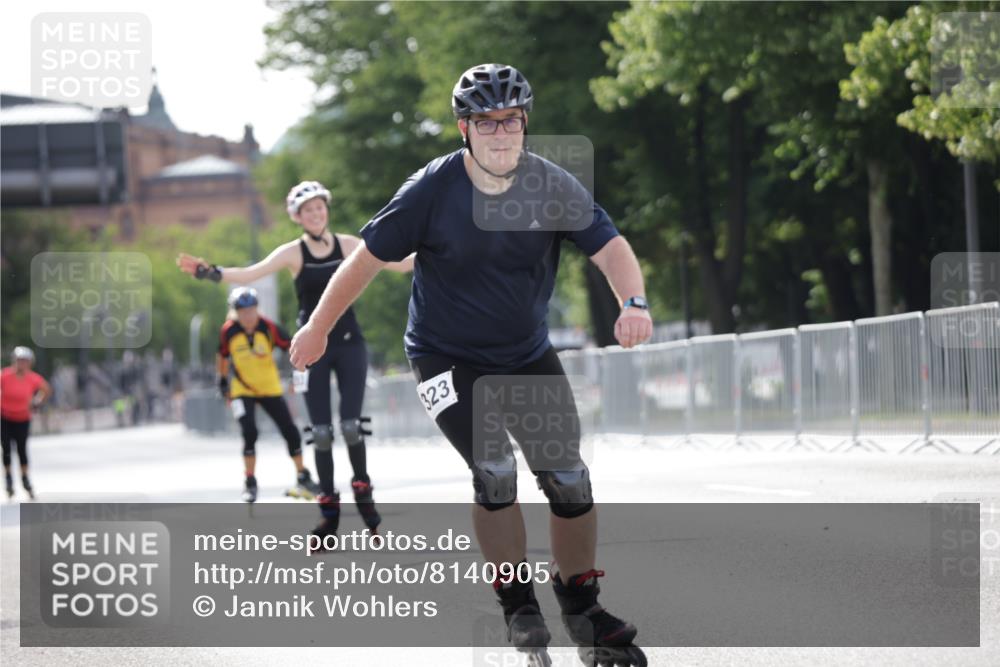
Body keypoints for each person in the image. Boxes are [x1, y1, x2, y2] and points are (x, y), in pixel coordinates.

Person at [290, 64, 651, 666]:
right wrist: (318, 327)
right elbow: (365, 260)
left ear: (525, 124)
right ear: (465, 129)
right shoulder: (430, 190)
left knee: (568, 477)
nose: (500, 133)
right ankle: (518, 605)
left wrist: (633, 302)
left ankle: (582, 606)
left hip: (525, 352)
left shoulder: (551, 184)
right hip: (444, 357)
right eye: (486, 123)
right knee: (494, 468)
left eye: (511, 121)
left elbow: (609, 246)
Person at [178, 192, 413, 529]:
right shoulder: (293, 252)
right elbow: (251, 273)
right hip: (311, 347)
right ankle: (328, 512)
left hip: (349, 343)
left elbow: (398, 263)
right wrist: (210, 272)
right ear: (297, 217)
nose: (316, 214)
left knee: (351, 426)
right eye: (308, 210)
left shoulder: (348, 245)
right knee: (320, 432)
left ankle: (364, 493)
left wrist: (441, 243)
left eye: (320, 208)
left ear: (326, 210)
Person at [217, 287, 318, 503]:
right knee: (249, 432)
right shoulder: (228, 331)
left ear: (257, 309)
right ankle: (250, 481)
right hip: (242, 390)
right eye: (243, 312)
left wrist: (295, 374)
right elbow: (223, 356)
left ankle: (302, 475)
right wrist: (223, 383)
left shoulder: (268, 327)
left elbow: (292, 346)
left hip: (269, 387)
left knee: (290, 430)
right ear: (235, 313)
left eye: (251, 311)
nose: (248, 316)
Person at [1, 347, 52, 500]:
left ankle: (25, 478)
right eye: (19, 360)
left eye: (24, 361)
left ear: (30, 363)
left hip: (23, 418)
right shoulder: (5, 375)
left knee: (21, 449)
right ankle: (8, 478)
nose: (21, 363)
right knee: (6, 448)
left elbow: (46, 389)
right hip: (5, 417)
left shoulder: (33, 378)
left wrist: (37, 402)